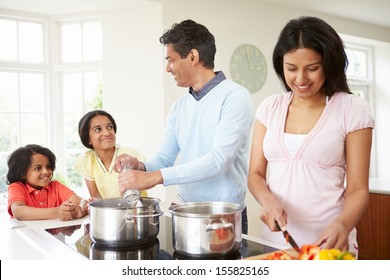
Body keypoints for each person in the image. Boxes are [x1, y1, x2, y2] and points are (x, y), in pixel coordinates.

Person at [248, 16, 374, 255]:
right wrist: (268, 200)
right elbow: (255, 174)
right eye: (291, 68)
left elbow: (358, 188)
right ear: (280, 64)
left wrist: (343, 224)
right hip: (277, 243)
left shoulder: (352, 109)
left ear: (329, 64)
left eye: (312, 68)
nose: (301, 79)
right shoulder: (269, 107)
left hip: (329, 244)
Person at [114, 19, 254, 234]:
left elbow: (220, 161)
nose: (167, 68)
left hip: (224, 217)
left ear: (193, 57)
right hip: (187, 213)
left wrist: (155, 177)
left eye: (171, 60)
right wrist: (141, 167)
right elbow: (164, 157)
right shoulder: (180, 106)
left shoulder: (235, 96)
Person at [75, 110, 147, 199]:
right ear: (88, 139)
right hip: (108, 211)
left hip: (138, 209)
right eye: (98, 129)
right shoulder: (86, 159)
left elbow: (147, 181)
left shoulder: (129, 154)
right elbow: (96, 198)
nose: (107, 133)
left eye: (109, 127)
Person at [7, 144, 89, 221]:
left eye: (48, 167)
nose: (46, 171)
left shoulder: (55, 186)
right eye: (38, 168)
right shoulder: (16, 187)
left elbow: (82, 201)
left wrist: (80, 211)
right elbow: (18, 211)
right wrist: (57, 212)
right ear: (22, 173)